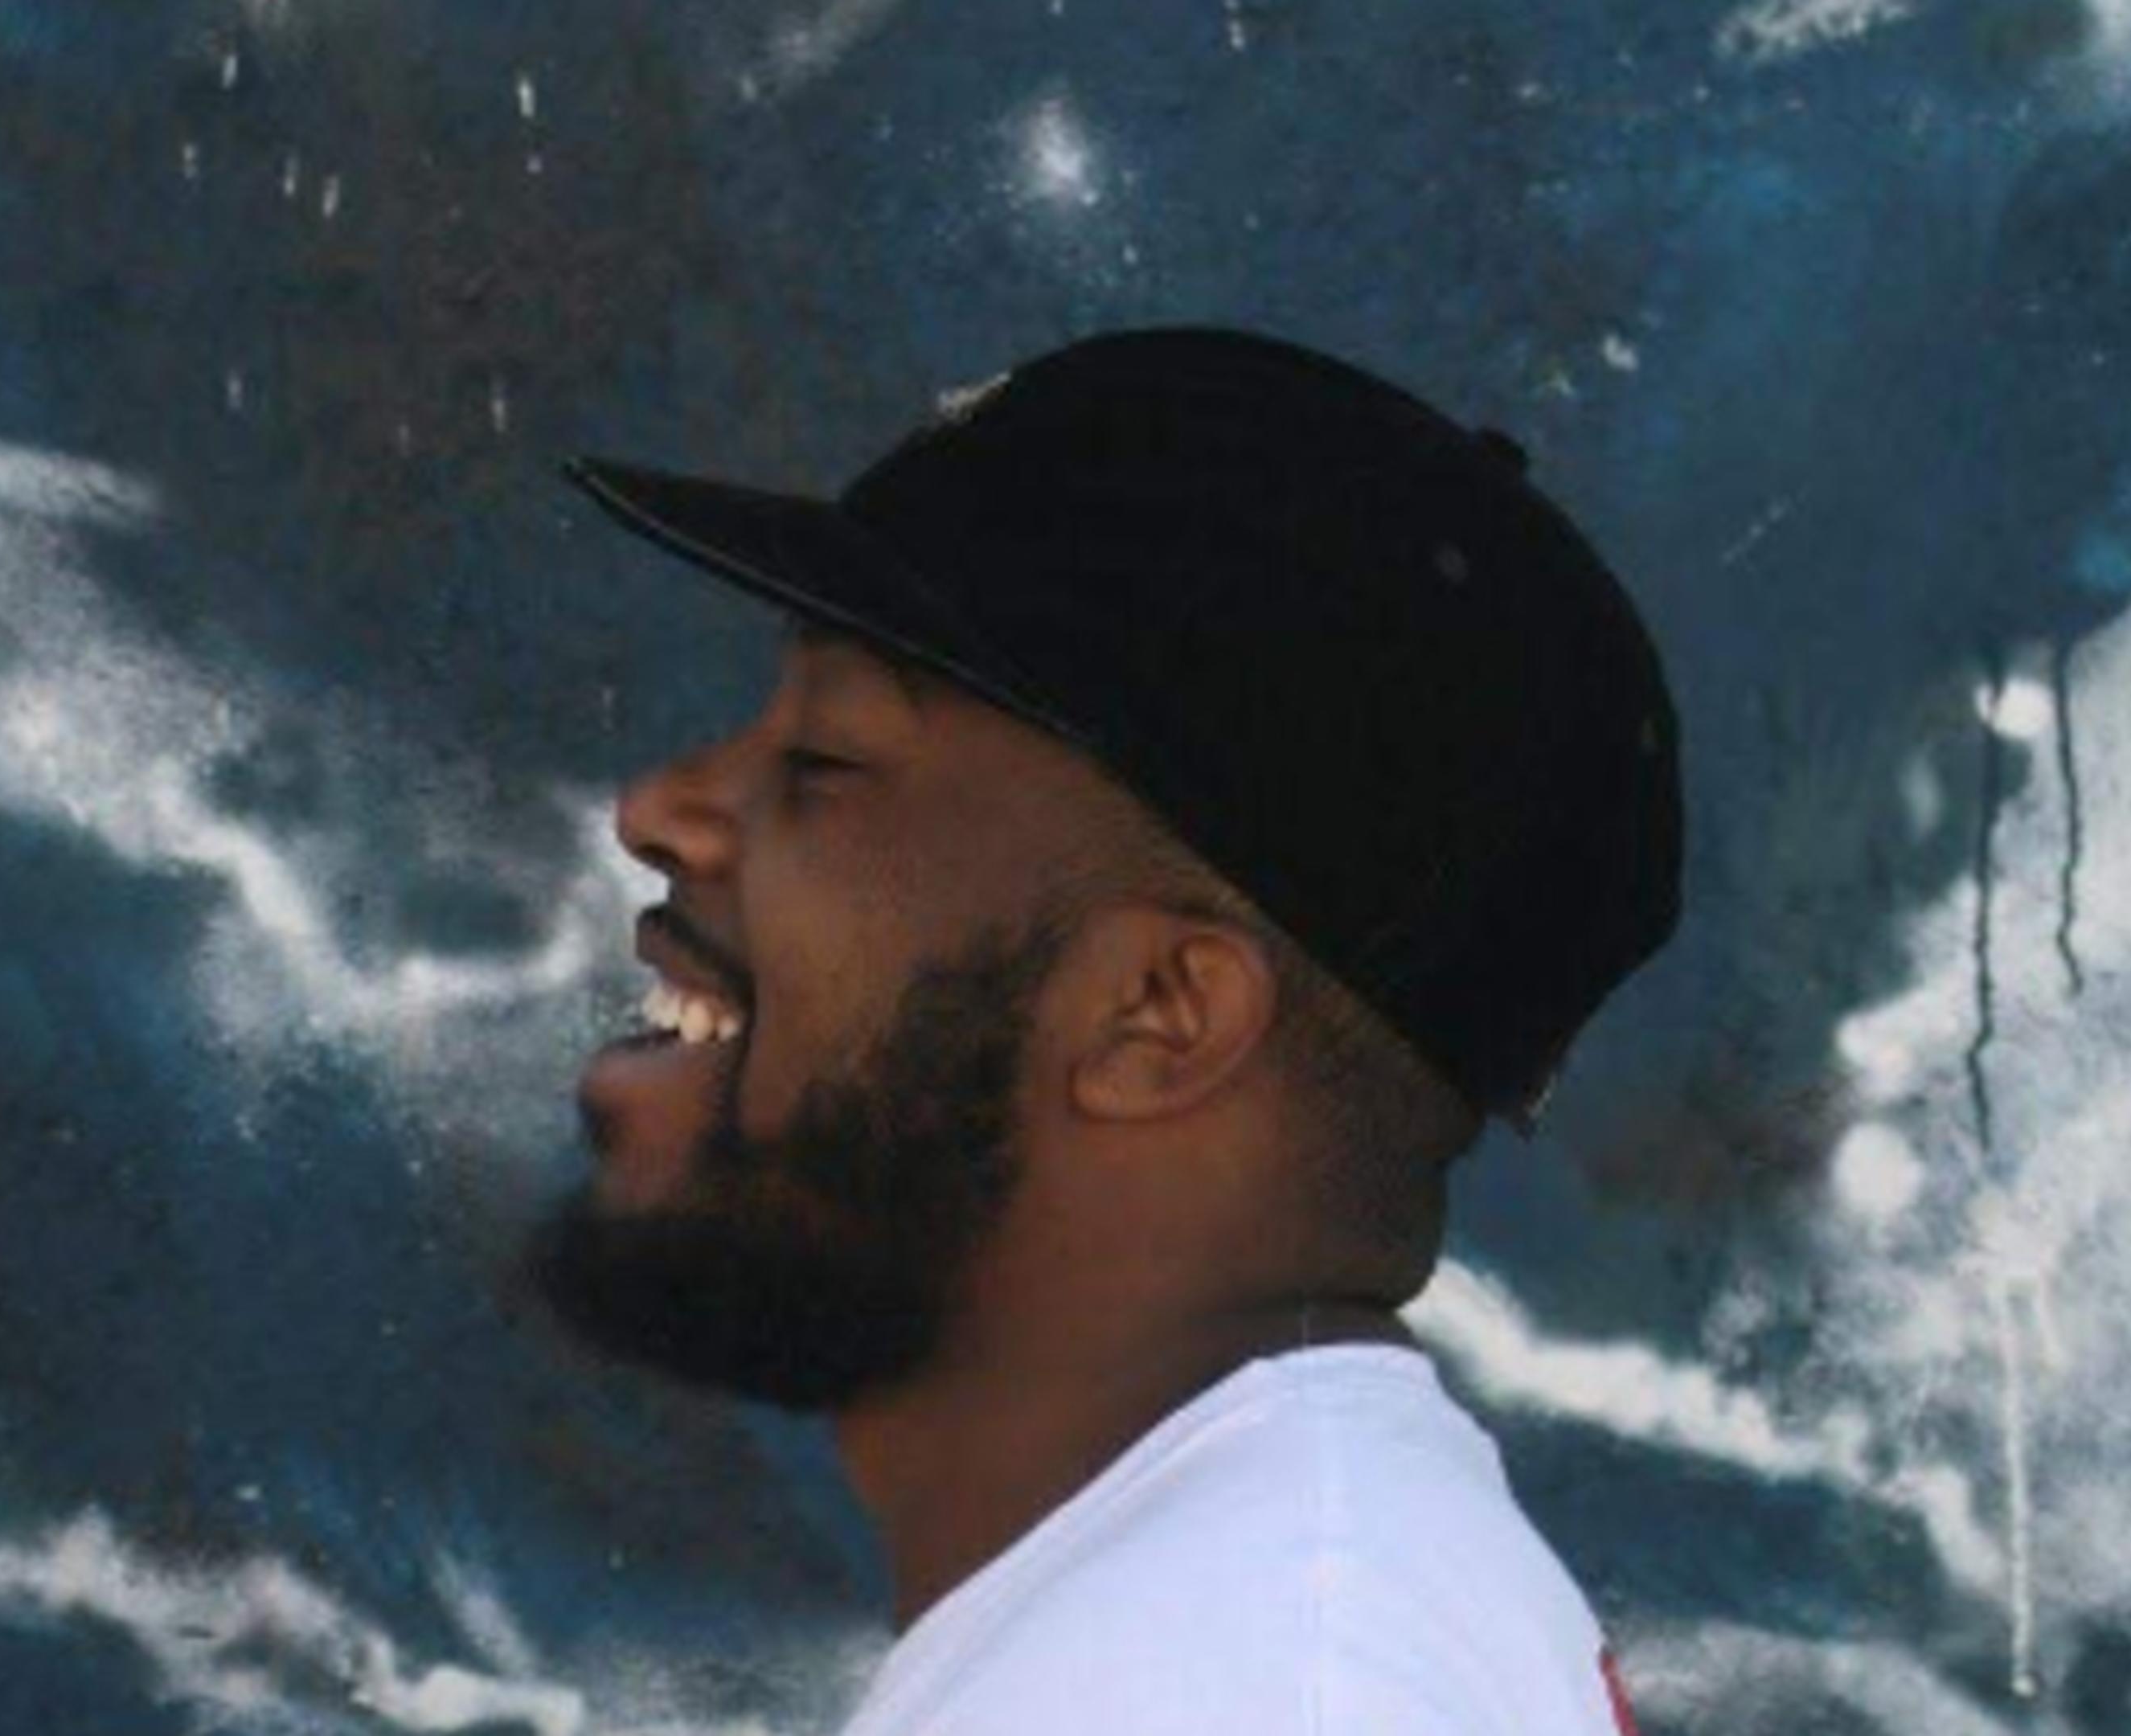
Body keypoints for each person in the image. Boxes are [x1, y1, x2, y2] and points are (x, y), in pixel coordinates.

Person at [525, 327, 1678, 1735]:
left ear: (1159, 1016)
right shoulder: (1260, 1610)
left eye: (823, 761)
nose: (660, 808)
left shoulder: (1247, 1675)